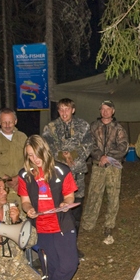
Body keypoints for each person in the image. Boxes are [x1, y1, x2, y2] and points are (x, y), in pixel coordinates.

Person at [18, 135, 79, 280]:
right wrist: (29, 210)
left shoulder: (61, 170)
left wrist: (65, 204)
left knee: (69, 264)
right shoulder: (25, 175)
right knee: (51, 267)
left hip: (62, 224)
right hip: (42, 227)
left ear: (45, 152)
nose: (35, 160)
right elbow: (25, 201)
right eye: (30, 156)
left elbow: (69, 196)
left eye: (37, 155)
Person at [80, 100, 129, 245]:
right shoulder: (94, 127)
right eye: (103, 109)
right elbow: (89, 144)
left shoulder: (119, 128)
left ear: (113, 111)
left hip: (114, 167)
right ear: (100, 111)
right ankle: (88, 223)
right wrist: (100, 156)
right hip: (98, 166)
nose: (105, 112)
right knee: (94, 194)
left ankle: (109, 225)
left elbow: (123, 146)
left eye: (108, 109)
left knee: (113, 196)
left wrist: (109, 157)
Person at [42, 98, 92, 234]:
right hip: (57, 176)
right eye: (61, 110)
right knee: (58, 208)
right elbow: (46, 147)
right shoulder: (50, 127)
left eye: (67, 109)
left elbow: (88, 145)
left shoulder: (83, 126)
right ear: (58, 111)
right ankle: (58, 237)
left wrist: (73, 154)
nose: (64, 113)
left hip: (77, 175)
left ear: (73, 110)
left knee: (76, 209)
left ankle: (73, 241)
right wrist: (61, 155)